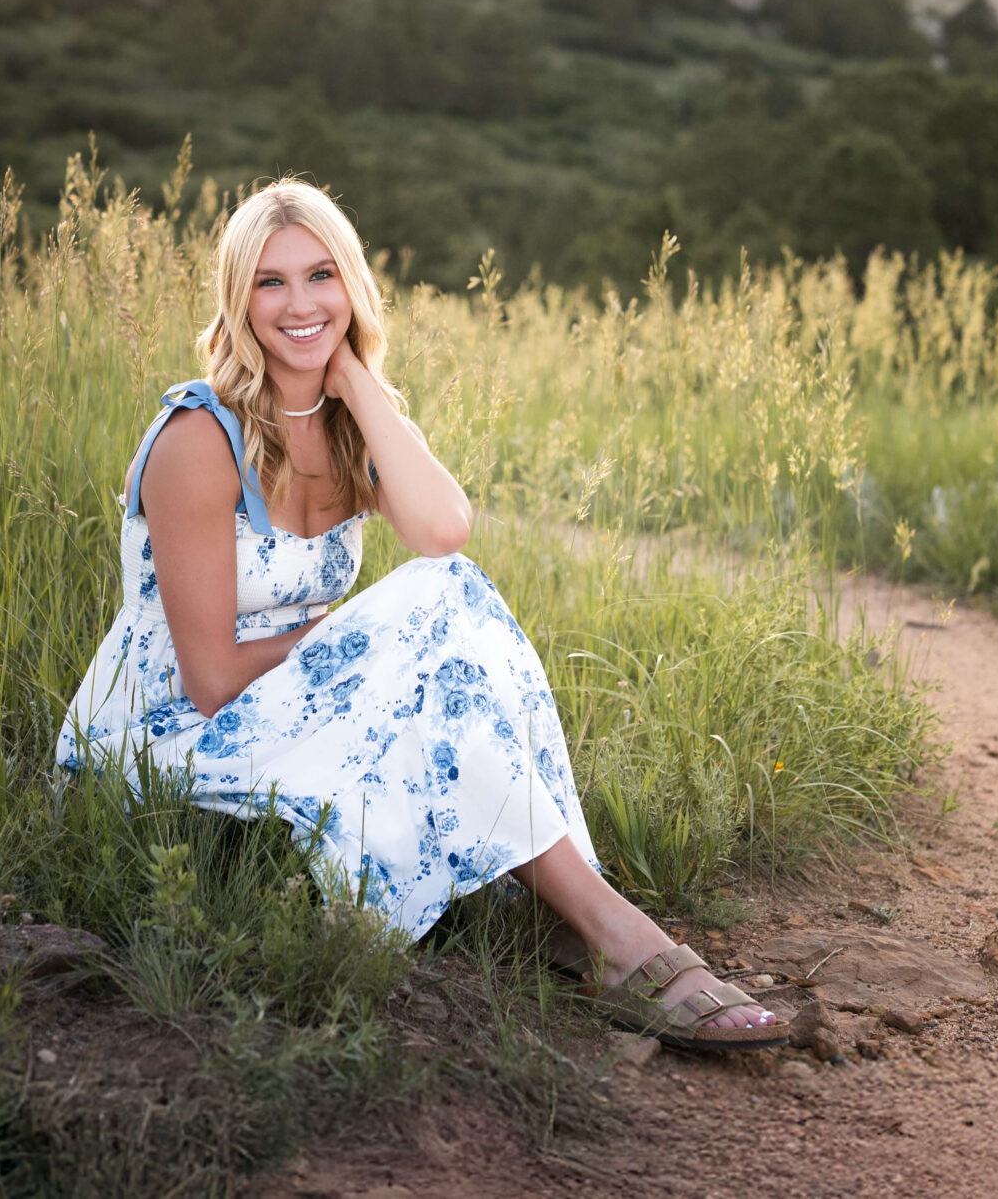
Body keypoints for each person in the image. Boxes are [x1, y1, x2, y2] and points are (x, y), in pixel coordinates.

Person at [57, 181, 788, 1053]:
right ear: (237, 299)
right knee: (434, 613)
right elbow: (209, 677)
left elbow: (444, 530)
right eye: (270, 282)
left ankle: (581, 919)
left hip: (288, 700)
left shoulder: (345, 423)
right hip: (166, 733)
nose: (299, 304)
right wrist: (372, 645)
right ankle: (619, 940)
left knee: (449, 603)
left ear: (352, 287)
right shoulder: (197, 441)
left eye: (321, 275)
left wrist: (359, 385)